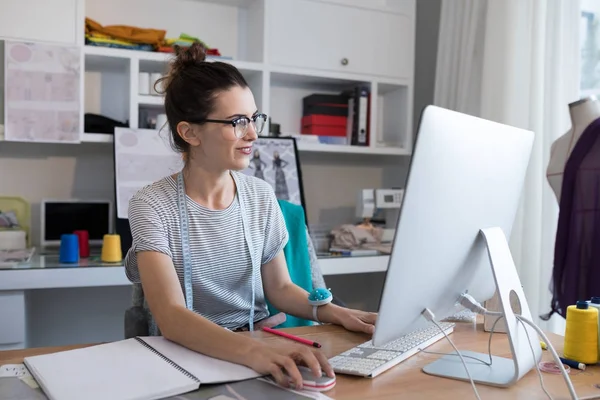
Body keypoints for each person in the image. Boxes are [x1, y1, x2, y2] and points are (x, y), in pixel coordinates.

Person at [123, 43, 377, 390]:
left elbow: (281, 288)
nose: (254, 134)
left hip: (257, 344)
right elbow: (172, 317)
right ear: (190, 132)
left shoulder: (259, 195)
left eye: (254, 118)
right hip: (187, 353)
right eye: (237, 122)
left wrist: (337, 313)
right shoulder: (151, 205)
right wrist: (254, 352)